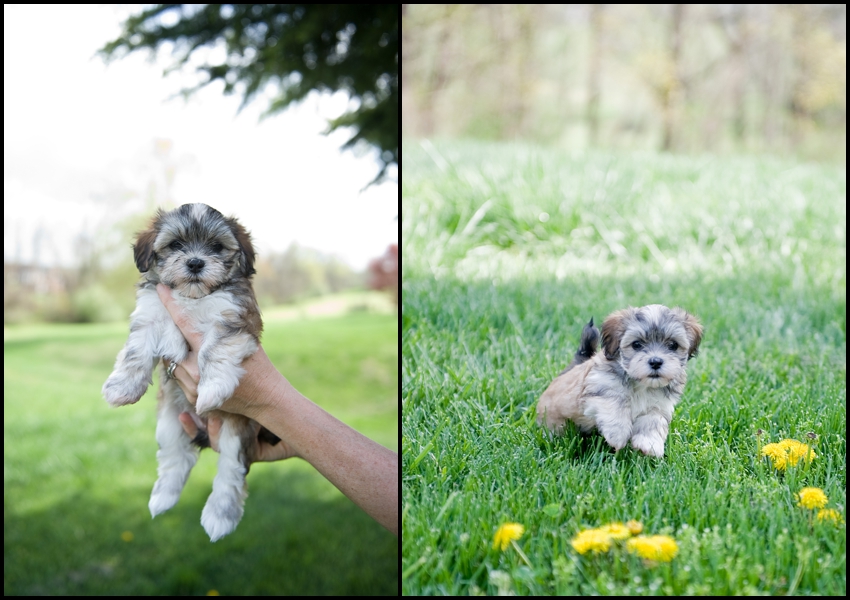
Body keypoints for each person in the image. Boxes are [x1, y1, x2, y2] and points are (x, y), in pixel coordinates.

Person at [155, 284, 398, 536]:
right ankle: (176, 476)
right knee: (176, 424)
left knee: (230, 442)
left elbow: (244, 335)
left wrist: (268, 403)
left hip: (231, 405)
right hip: (198, 412)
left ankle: (227, 498)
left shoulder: (233, 297)